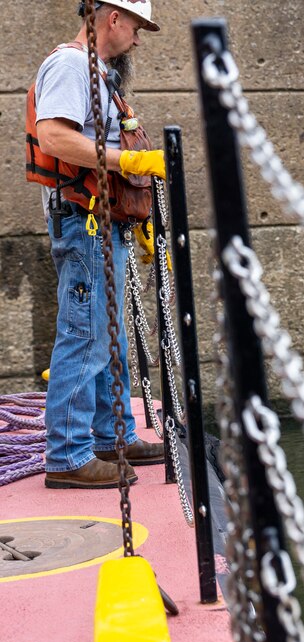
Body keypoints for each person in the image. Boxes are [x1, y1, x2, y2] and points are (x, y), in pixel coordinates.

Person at [28, 0, 166, 489]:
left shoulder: (98, 72)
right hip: (84, 222)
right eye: (136, 26)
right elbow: (54, 138)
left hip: (102, 222)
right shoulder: (70, 65)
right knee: (85, 334)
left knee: (109, 336)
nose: (138, 37)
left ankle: (113, 436)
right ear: (113, 19)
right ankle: (67, 455)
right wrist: (127, 164)